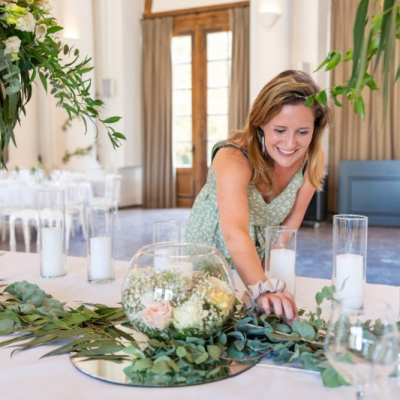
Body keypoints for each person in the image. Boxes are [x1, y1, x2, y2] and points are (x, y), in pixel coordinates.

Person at [185, 70, 333, 322]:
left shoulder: (312, 160)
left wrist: (265, 280)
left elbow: (287, 229)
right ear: (260, 123)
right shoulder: (233, 157)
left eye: (302, 132)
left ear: (315, 129)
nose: (290, 143)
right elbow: (235, 230)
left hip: (259, 258)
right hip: (211, 255)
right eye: (280, 129)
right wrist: (261, 288)